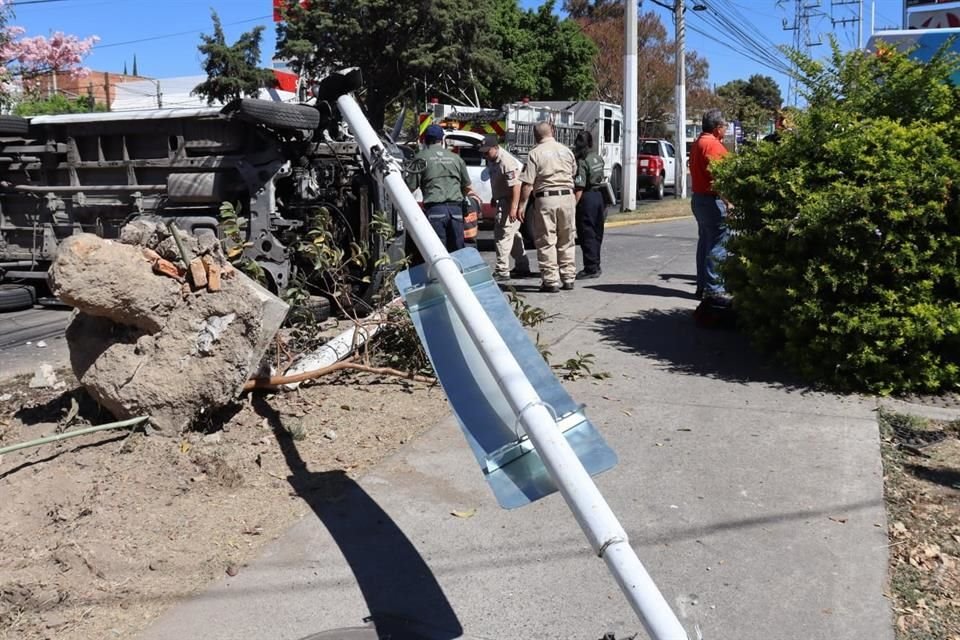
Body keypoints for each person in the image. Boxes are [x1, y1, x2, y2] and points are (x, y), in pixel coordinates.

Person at [518, 121, 577, 293]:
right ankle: (568, 277)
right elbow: (573, 172)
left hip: (546, 198)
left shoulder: (534, 153)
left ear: (536, 135)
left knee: (546, 240)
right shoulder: (566, 150)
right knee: (567, 238)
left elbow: (528, 183)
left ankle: (551, 280)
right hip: (567, 197)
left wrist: (522, 205)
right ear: (553, 131)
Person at [404, 124, 473, 264]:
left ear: (425, 140)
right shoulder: (456, 158)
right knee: (458, 251)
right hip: (456, 211)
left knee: (437, 252)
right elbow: (467, 186)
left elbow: (409, 187)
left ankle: (440, 282)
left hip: (435, 210)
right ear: (442, 140)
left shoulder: (420, 158)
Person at [689, 109, 731, 302]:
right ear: (717, 128)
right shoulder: (713, 145)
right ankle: (714, 289)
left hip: (699, 199)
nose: (726, 130)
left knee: (705, 242)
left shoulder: (698, 142)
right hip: (712, 200)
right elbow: (720, 177)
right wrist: (728, 201)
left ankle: (702, 285)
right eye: (725, 126)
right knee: (717, 244)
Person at [479, 133, 531, 282]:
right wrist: (495, 198)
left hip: (510, 201)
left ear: (496, 148)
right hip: (503, 199)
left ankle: (502, 270)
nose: (485, 155)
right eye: (483, 152)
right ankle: (522, 266)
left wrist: (513, 208)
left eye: (487, 152)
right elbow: (497, 181)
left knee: (502, 234)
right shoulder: (492, 159)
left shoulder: (506, 161)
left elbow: (516, 186)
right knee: (512, 235)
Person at [572, 130, 606, 279]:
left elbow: (579, 187)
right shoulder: (597, 158)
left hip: (587, 198)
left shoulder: (582, 161)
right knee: (597, 233)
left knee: (587, 234)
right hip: (599, 196)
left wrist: (572, 206)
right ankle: (596, 264)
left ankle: (591, 268)